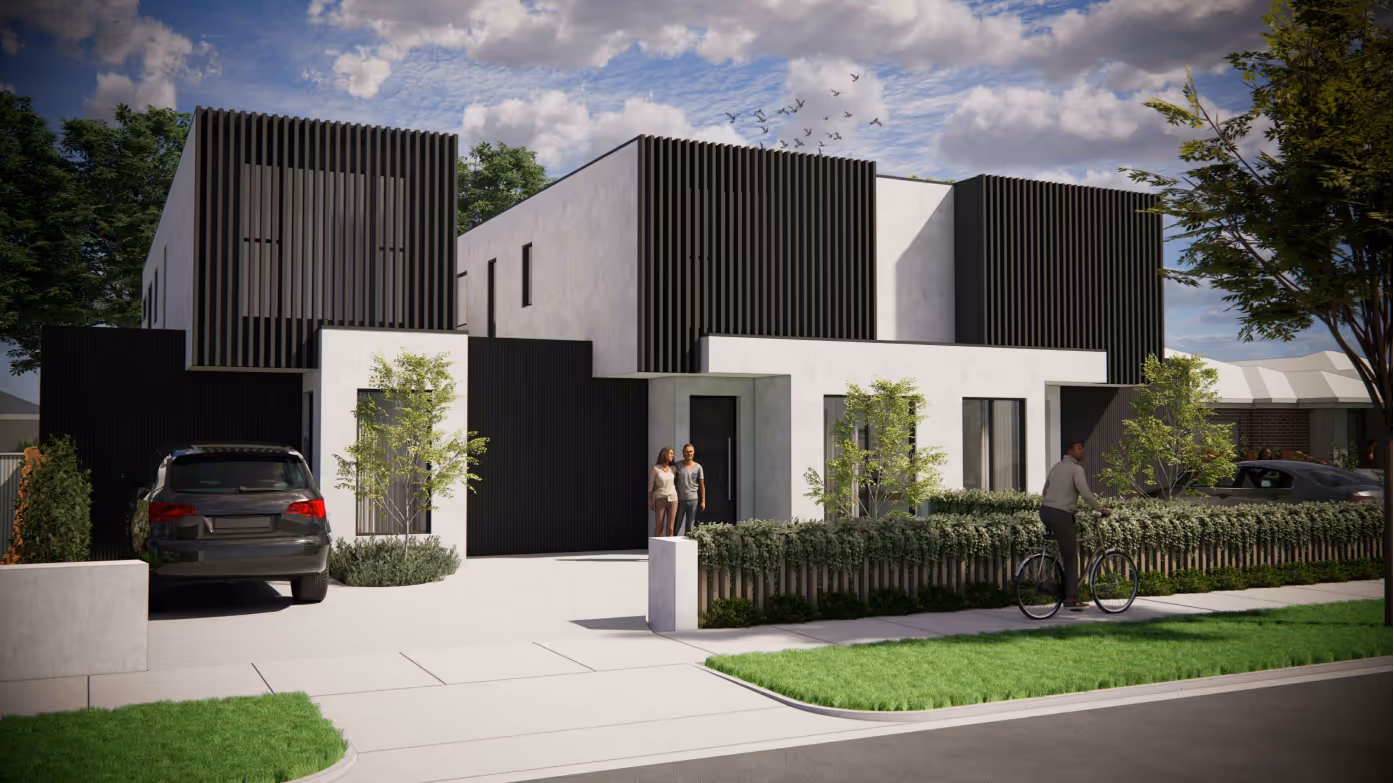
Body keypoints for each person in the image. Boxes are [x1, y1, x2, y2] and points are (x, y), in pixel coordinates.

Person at [1041, 440, 1111, 611]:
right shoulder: (1076, 469)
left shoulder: (1056, 467)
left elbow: (1045, 491)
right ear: (1071, 451)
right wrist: (1101, 509)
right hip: (1061, 514)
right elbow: (1085, 493)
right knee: (1071, 557)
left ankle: (1060, 585)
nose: (1082, 451)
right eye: (1079, 448)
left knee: (1065, 549)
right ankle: (1071, 598)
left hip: (1045, 511)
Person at [673, 443, 706, 537]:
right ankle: (672, 546)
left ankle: (687, 547)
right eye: (687, 452)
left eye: (691, 451)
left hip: (693, 500)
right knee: (676, 525)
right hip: (680, 500)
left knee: (690, 526)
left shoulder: (698, 467)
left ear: (693, 453)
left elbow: (702, 485)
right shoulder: (677, 466)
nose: (689, 454)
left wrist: (703, 501)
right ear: (683, 453)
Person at [649, 447, 679, 537]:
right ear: (664, 454)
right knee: (659, 526)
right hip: (660, 499)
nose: (672, 455)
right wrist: (650, 500)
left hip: (673, 499)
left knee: (670, 528)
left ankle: (669, 550)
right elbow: (651, 486)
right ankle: (656, 549)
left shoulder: (673, 469)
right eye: (670, 453)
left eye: (673, 453)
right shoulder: (656, 469)